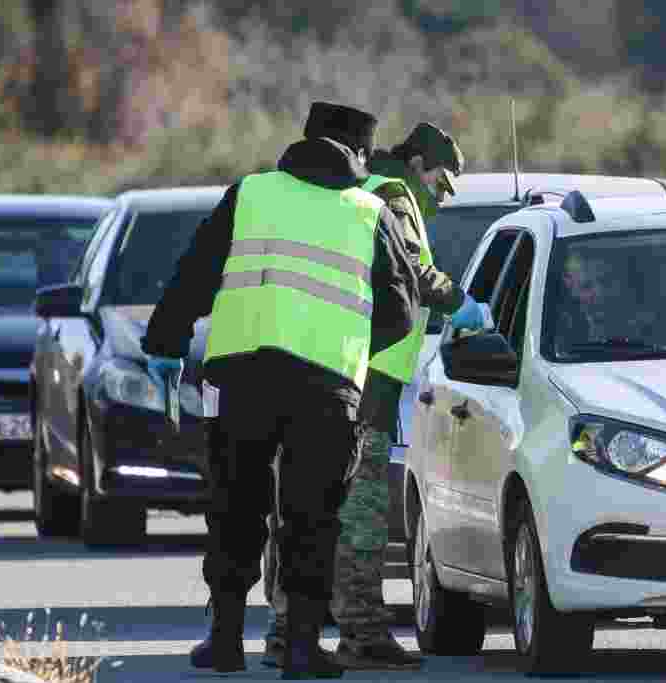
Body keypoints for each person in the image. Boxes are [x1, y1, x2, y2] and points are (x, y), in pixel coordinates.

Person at [140, 102, 421, 679]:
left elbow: (194, 273)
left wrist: (166, 342)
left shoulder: (251, 194)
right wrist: (349, 347)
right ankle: (300, 648)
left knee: (236, 508)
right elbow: (401, 311)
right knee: (312, 516)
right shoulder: (371, 212)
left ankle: (224, 642)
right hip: (327, 388)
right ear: (361, 155)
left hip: (243, 380)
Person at [261, 122, 490, 670]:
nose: (443, 195)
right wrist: (459, 303)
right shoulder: (393, 196)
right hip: (368, 388)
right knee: (360, 519)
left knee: (307, 513)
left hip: (317, 372)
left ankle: (285, 633)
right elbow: (413, 269)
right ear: (416, 164)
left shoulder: (346, 191)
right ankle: (361, 635)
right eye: (441, 181)